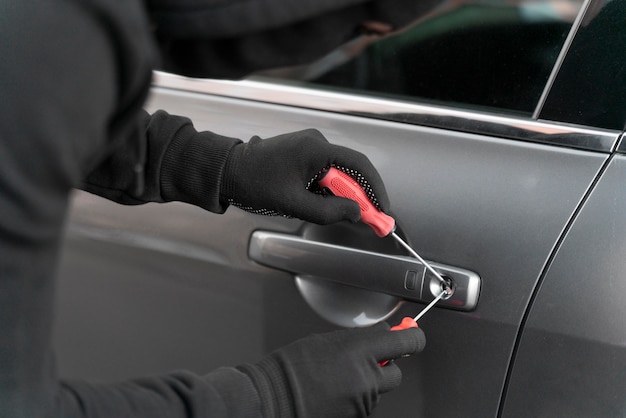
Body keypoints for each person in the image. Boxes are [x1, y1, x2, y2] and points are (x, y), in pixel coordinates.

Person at [0, 1, 439, 417]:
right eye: (359, 28)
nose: (336, 48)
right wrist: (272, 399)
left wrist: (216, 167)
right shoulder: (55, 36)